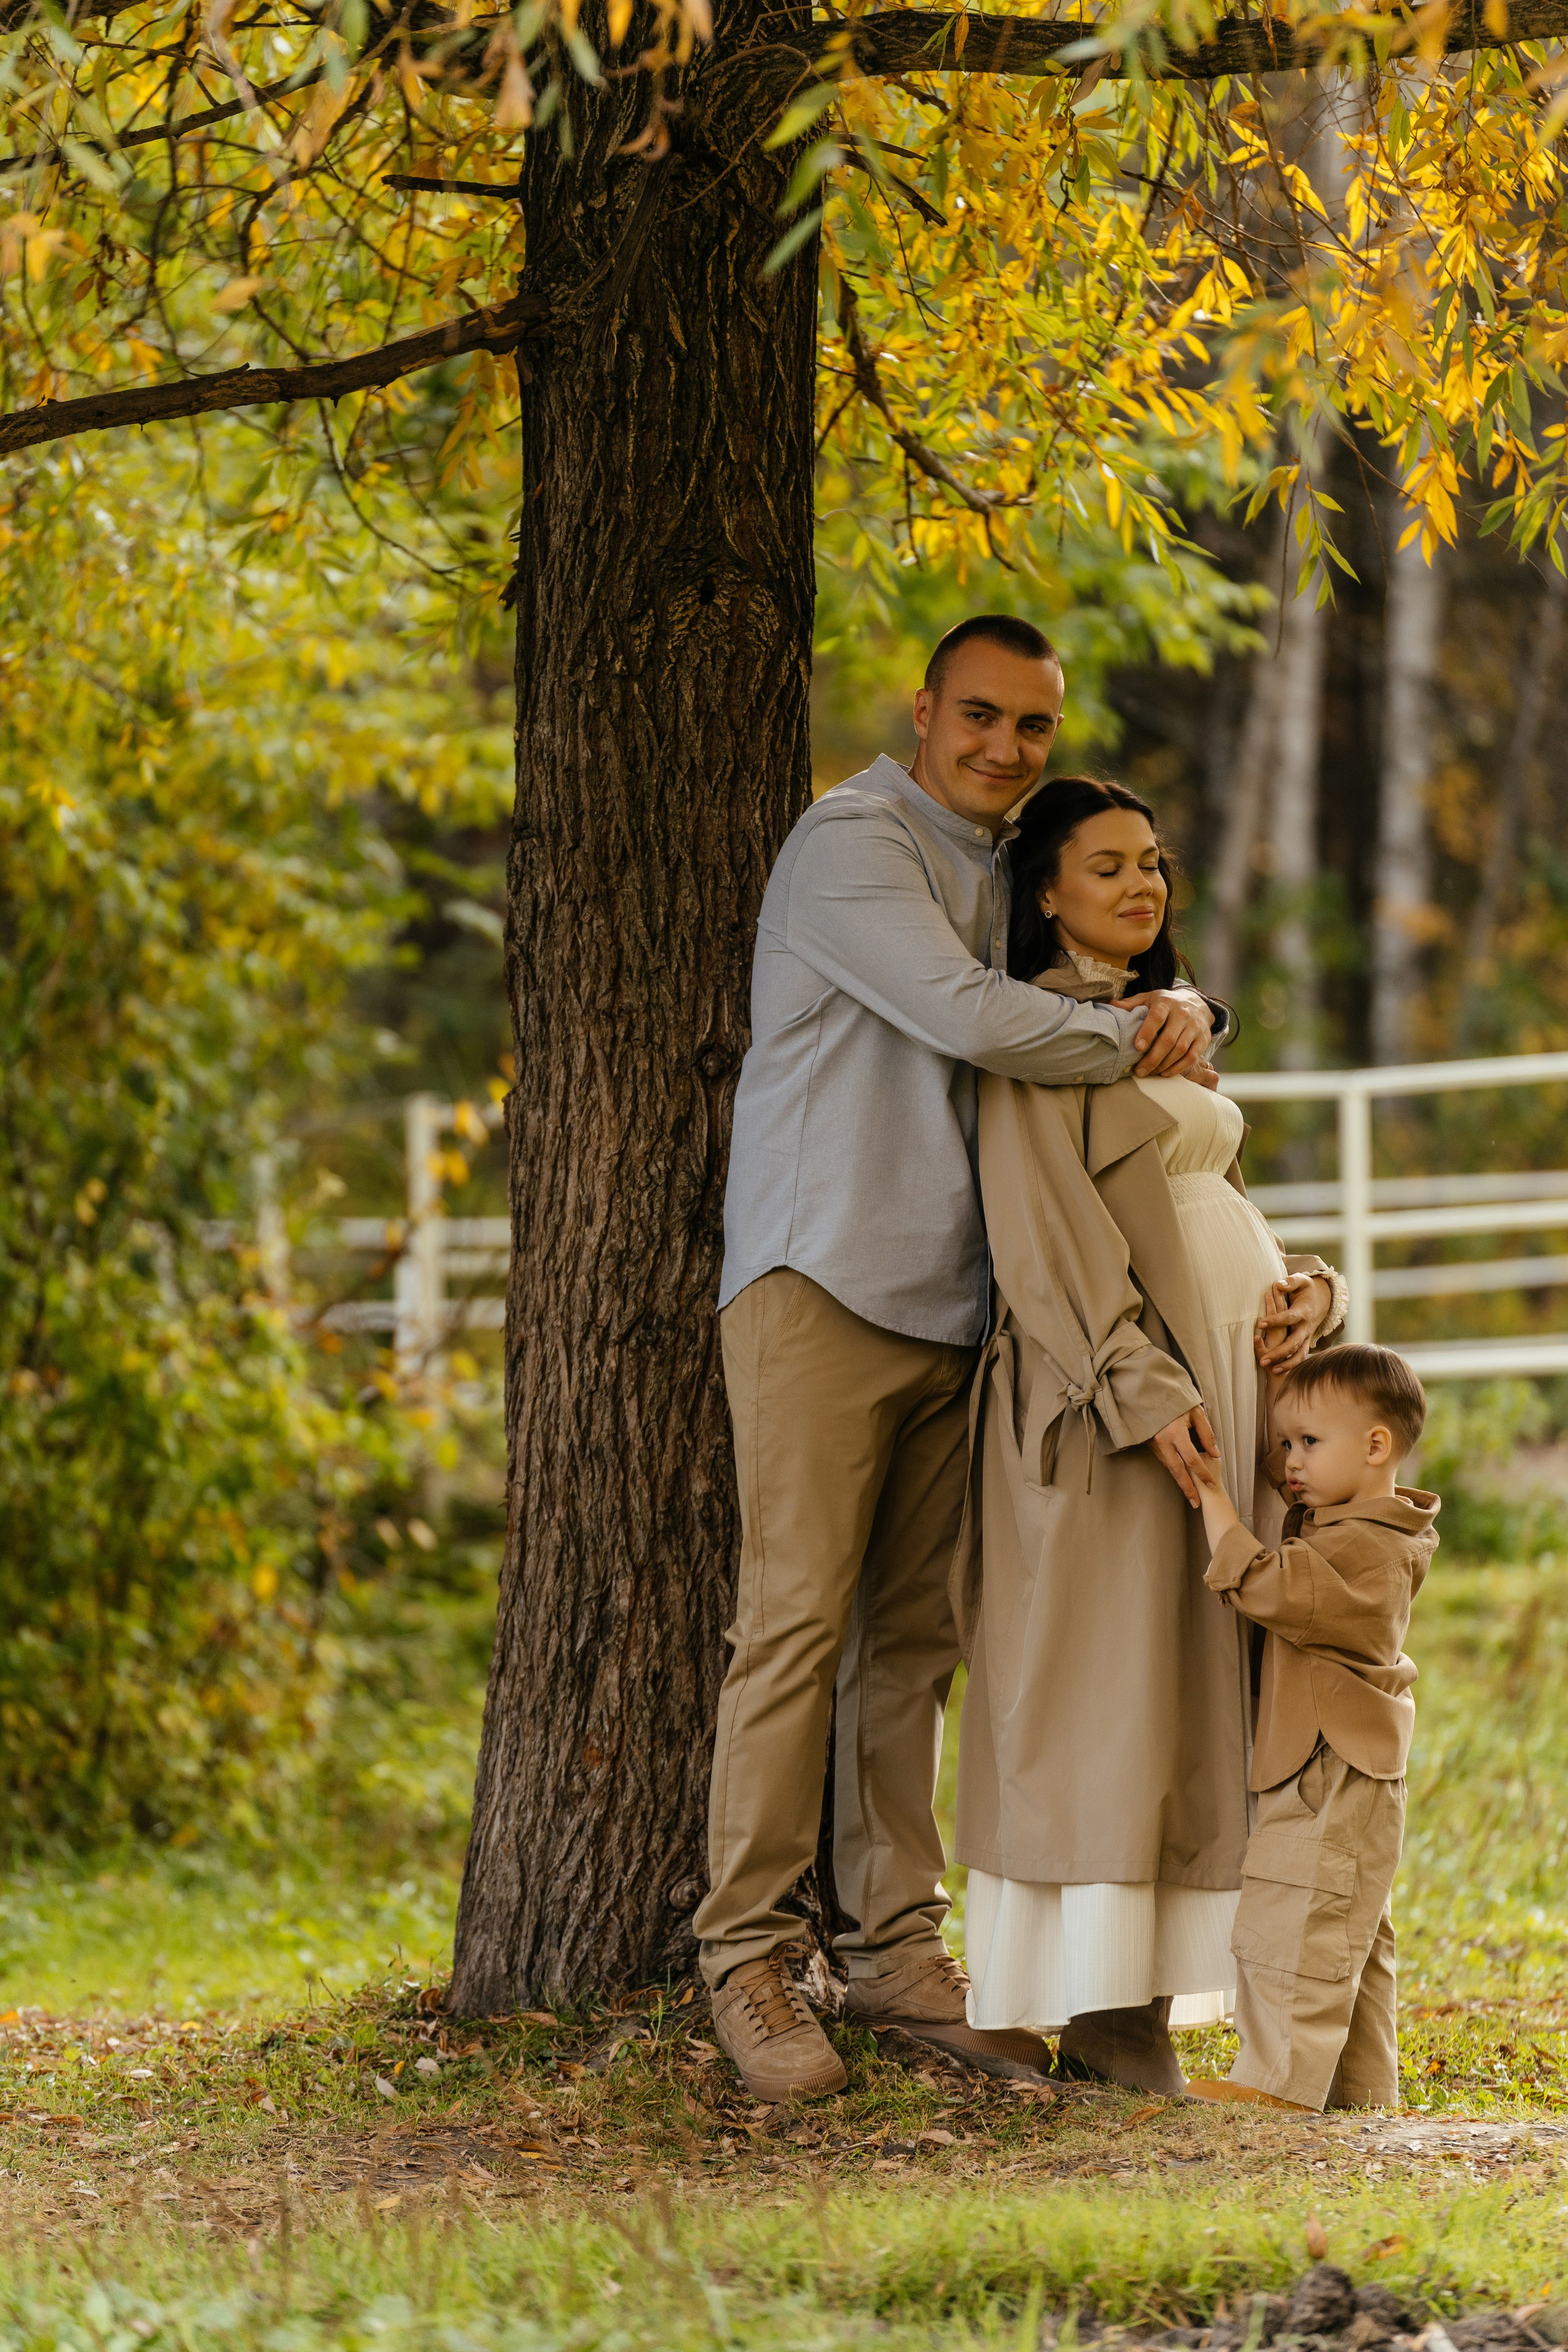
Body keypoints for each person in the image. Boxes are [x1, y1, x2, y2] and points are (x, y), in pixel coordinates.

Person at [696, 617, 1226, 2104]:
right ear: (922, 709)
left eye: (1032, 727)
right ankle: (742, 1951)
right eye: (980, 716)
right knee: (792, 1623)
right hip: (818, 1278)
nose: (1004, 748)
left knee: (911, 1649)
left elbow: (1096, 950)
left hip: (953, 1308)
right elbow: (976, 1015)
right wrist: (1146, 1024)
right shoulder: (849, 842)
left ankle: (886, 1952)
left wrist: (1192, 1002)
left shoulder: (1005, 866)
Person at [952, 775, 1344, 2095]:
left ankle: (1155, 2012)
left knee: (1198, 1696)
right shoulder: (1031, 1035)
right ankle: (1100, 2021)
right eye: (1106, 866)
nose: (1139, 887)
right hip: (1115, 1400)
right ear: (1043, 890)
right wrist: (1134, 1380)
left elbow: (1214, 1197)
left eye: (1153, 866)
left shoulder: (1159, 1031)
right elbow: (1041, 1234)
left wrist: (1303, 1290)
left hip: (1224, 1392)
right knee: (1113, 1698)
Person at [1185, 1346, 1438, 2113]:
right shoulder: (1349, 1517)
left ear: (1374, 1448)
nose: (1288, 1462)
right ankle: (1359, 2091)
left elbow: (1266, 1584)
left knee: (1300, 1920)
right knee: (1346, 1931)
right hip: (1334, 1760)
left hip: (1336, 1765)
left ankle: (1277, 2088)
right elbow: (1296, 1486)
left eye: (1307, 1444)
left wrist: (1209, 1495)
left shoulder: (1369, 1547)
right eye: (1286, 1443)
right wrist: (1278, 1387)